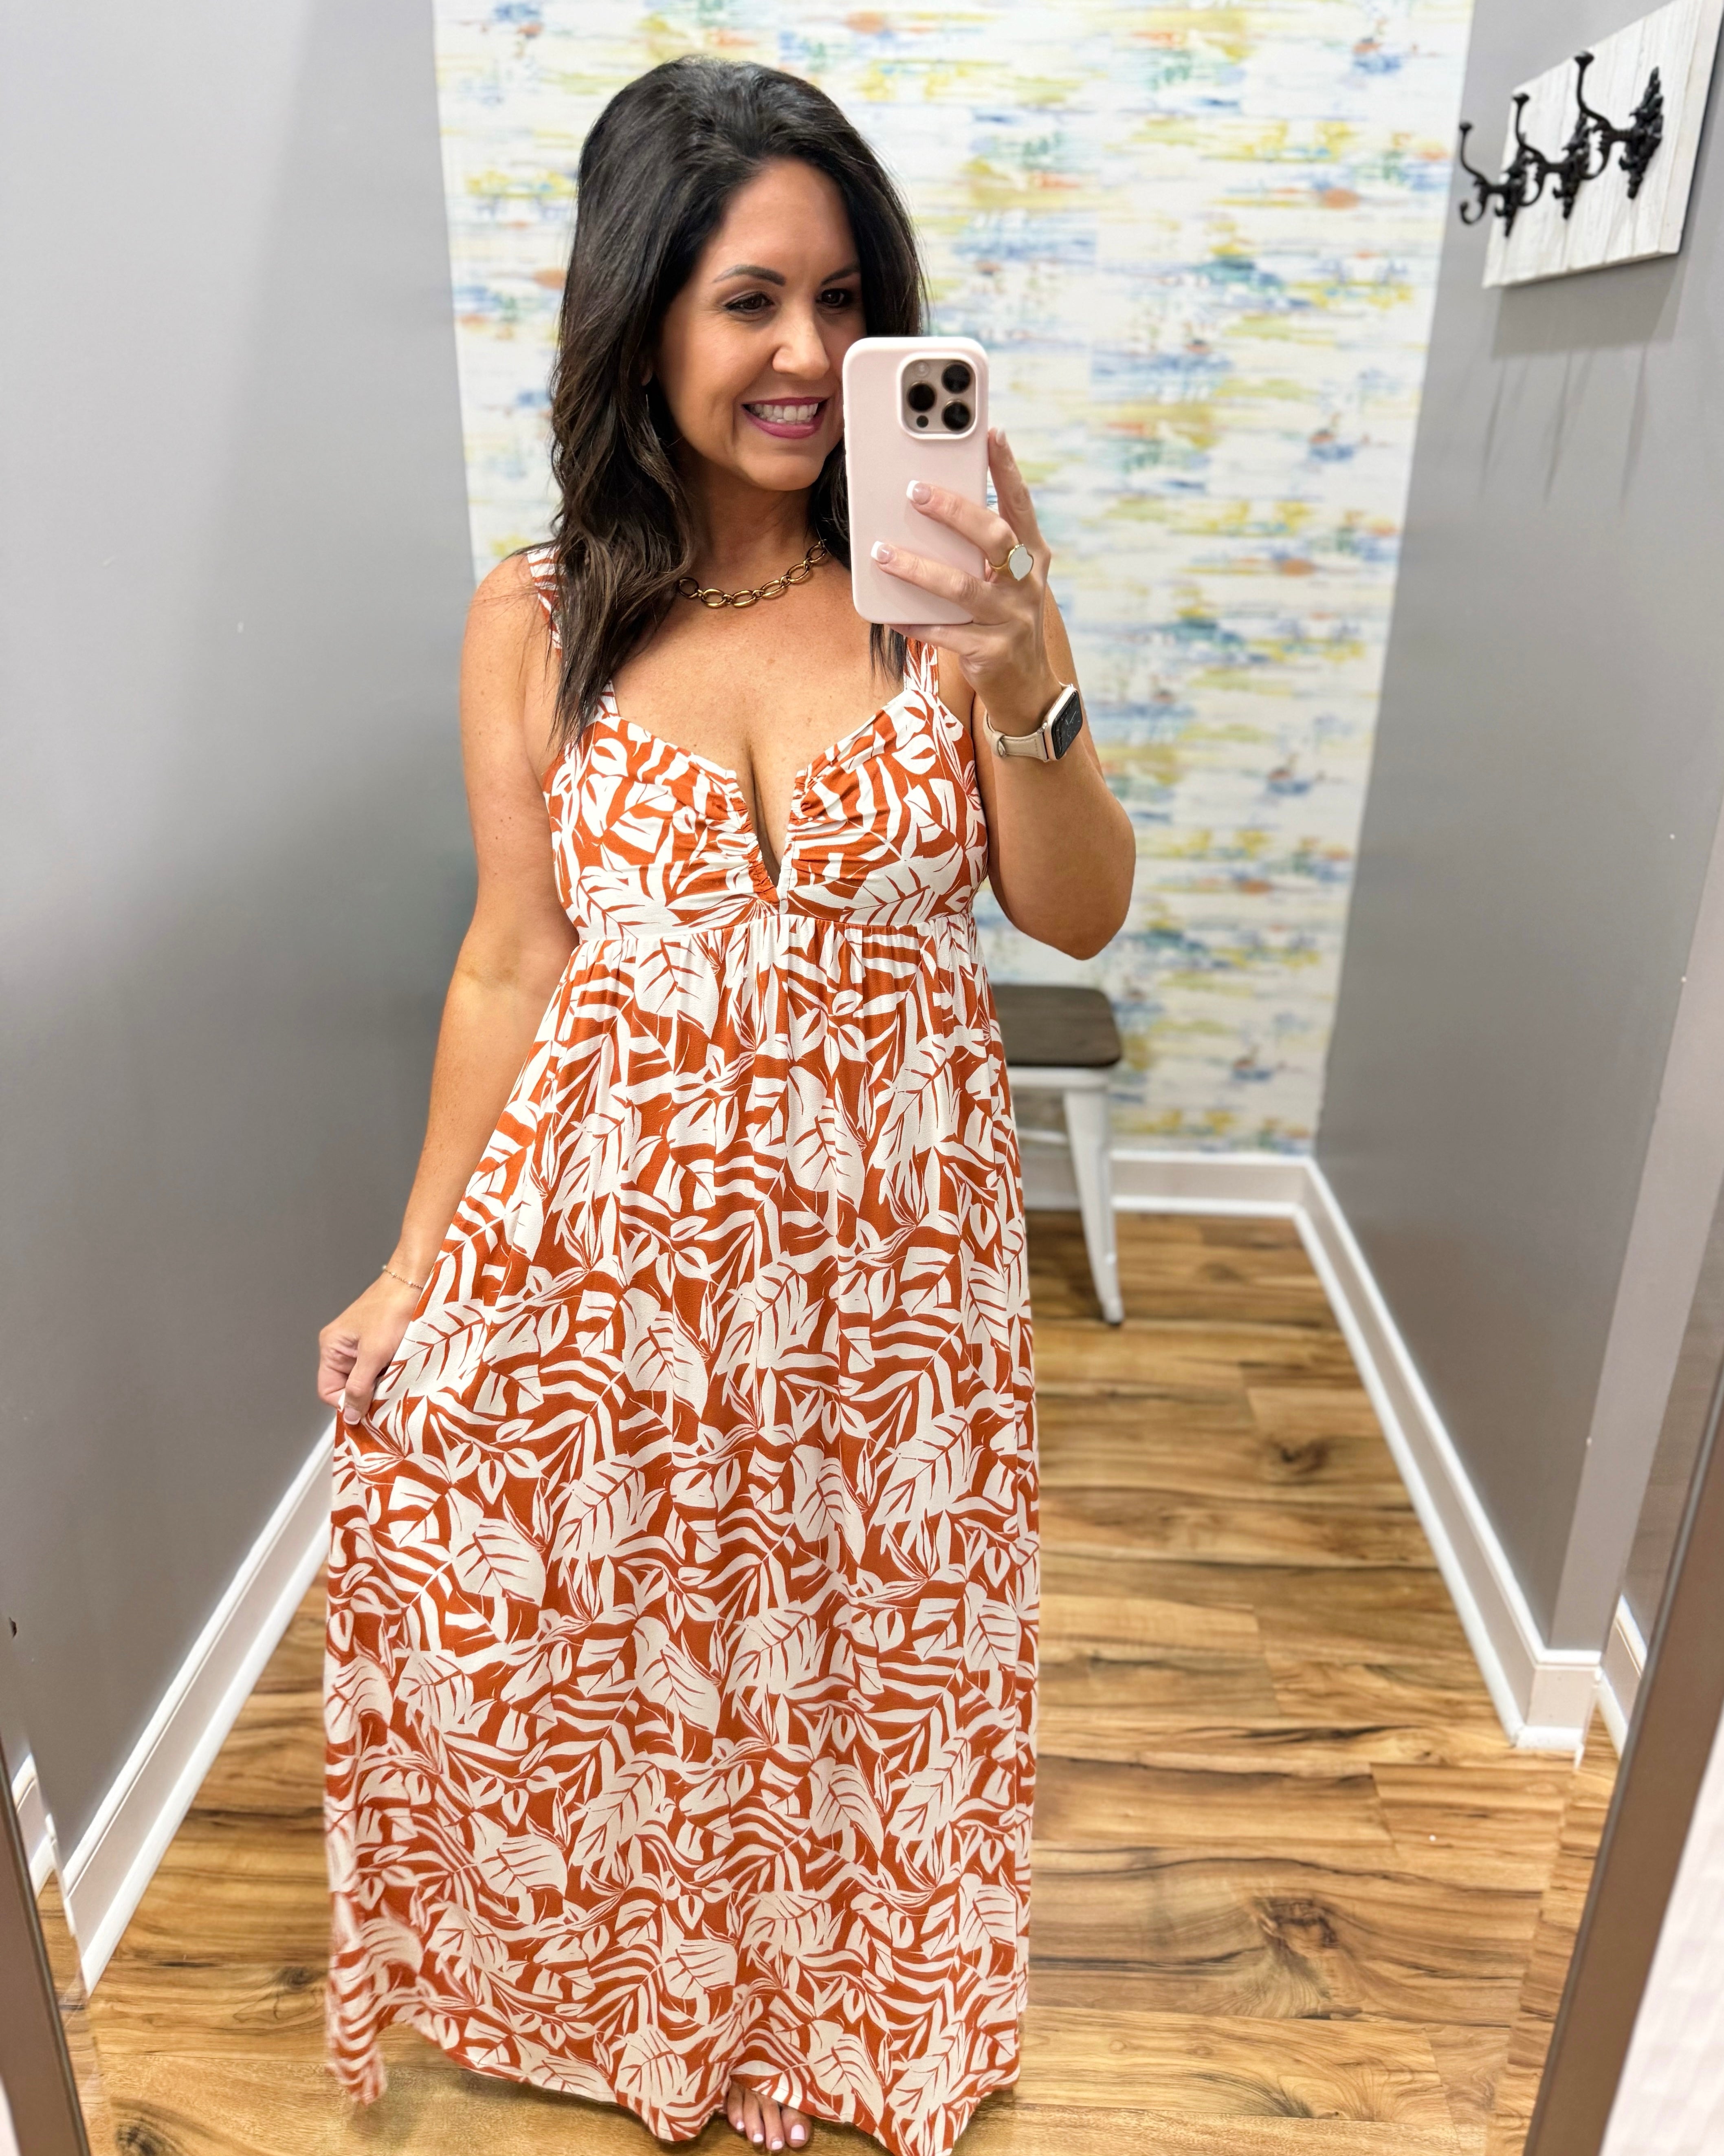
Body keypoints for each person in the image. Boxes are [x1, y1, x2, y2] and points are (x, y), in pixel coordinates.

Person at [315, 53, 1133, 2156]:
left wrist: (1025, 677)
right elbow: (516, 960)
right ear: (641, 311)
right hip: (635, 1272)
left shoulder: (942, 566)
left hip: (897, 1266)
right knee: (665, 1641)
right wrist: (415, 1266)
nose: (807, 354)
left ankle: (872, 2011)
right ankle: (669, 2008)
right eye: (748, 300)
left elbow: (1071, 912)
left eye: (845, 300)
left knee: (883, 1641)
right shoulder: (538, 613)